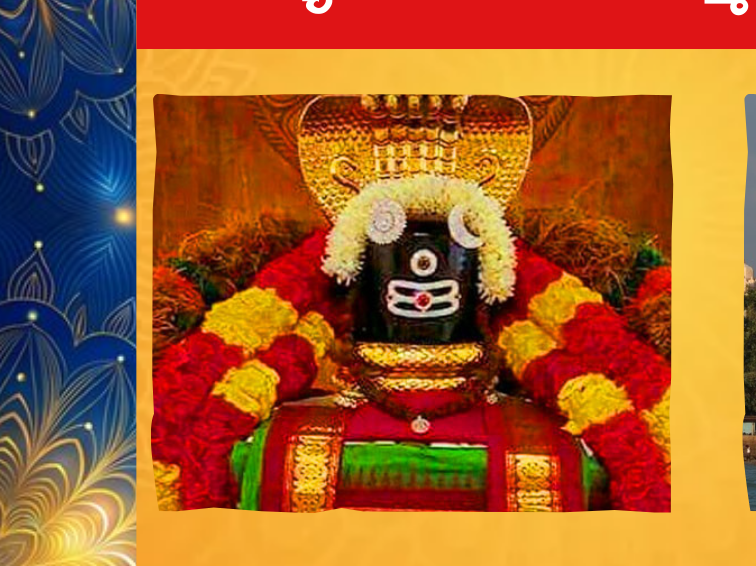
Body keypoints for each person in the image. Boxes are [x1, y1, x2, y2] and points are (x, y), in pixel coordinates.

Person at [152, 95, 672, 512]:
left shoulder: (562, 394)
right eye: (393, 236)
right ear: (352, 260)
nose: (423, 264)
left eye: (449, 238)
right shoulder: (271, 407)